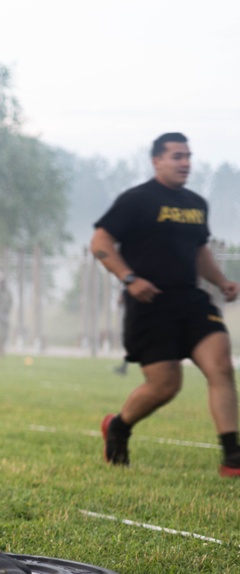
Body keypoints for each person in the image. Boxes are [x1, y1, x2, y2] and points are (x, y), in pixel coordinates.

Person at [91, 132, 240, 478]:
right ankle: (119, 426)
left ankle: (232, 457)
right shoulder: (136, 200)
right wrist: (130, 279)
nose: (185, 162)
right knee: (165, 386)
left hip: (191, 300)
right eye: (176, 156)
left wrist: (220, 281)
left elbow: (199, 250)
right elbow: (100, 241)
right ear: (156, 160)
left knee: (220, 366)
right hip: (150, 304)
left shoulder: (196, 203)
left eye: (188, 156)